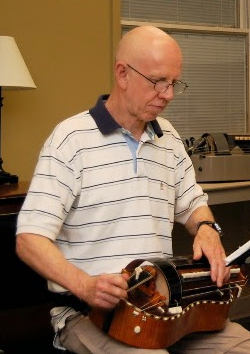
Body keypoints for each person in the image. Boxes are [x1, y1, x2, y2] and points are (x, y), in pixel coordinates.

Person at [15, 25, 250, 354]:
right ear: (122, 73)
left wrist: (207, 228)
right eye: (158, 82)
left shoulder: (167, 137)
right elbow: (29, 239)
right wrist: (85, 285)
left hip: (162, 307)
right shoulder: (71, 139)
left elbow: (193, 204)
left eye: (173, 83)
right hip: (89, 314)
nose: (167, 94)